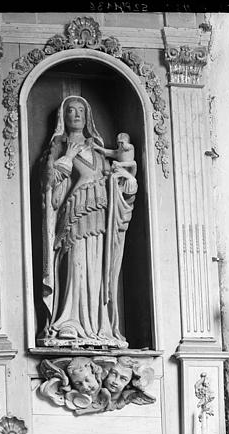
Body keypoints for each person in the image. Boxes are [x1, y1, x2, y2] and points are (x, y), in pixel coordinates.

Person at [39, 96, 137, 347]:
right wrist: (68, 156)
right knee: (76, 263)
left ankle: (97, 325)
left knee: (97, 268)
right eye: (70, 110)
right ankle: (69, 321)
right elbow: (50, 185)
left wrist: (124, 181)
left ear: (88, 115)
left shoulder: (97, 147)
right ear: (64, 117)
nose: (76, 114)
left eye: (81, 110)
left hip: (100, 212)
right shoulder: (59, 145)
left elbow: (109, 175)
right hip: (75, 213)